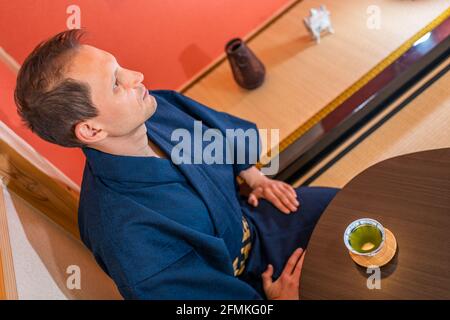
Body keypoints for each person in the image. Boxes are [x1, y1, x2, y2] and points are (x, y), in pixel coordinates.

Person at [14, 29, 339, 299]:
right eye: (116, 82)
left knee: (352, 211)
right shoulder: (126, 236)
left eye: (119, 67)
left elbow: (219, 134)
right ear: (91, 129)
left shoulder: (154, 109)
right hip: (246, 290)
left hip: (253, 220)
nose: (136, 76)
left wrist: (254, 177)